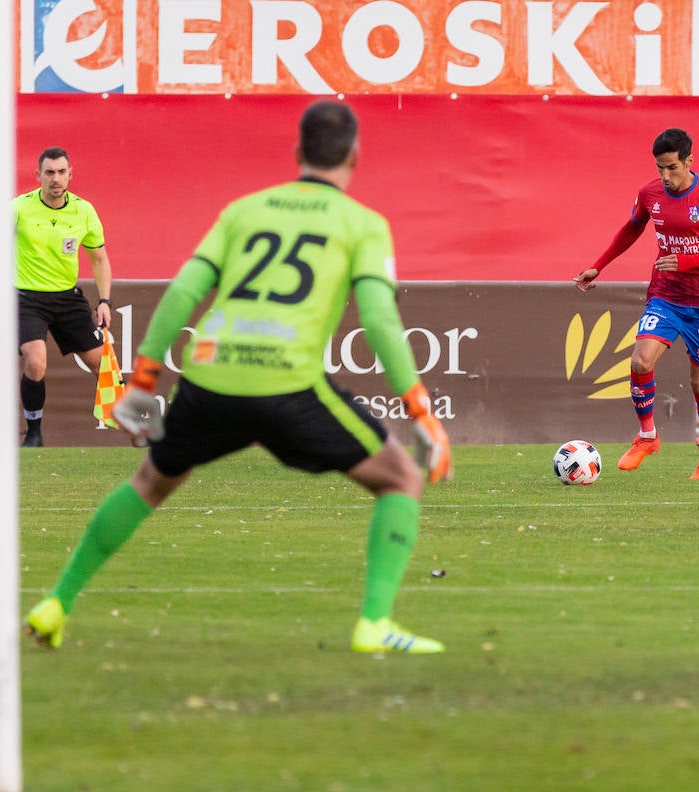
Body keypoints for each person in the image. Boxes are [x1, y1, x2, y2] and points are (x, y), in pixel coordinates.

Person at [24, 101, 453, 654]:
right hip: (287, 385)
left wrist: (145, 381)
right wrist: (421, 413)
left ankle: (56, 602)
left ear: (297, 153)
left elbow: (183, 292)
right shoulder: (364, 224)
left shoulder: (244, 211)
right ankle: (374, 624)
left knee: (149, 484)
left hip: (208, 379)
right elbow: (379, 318)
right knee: (401, 478)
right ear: (355, 156)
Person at [574, 128, 699, 480]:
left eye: (672, 168)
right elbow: (631, 229)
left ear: (689, 161)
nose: (665, 177)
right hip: (666, 294)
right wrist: (599, 264)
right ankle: (648, 436)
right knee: (640, 360)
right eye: (659, 168)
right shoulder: (650, 193)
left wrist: (687, 262)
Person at [14, 146, 115, 447]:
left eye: (61, 172)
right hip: (27, 298)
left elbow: (99, 260)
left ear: (70, 174)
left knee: (104, 364)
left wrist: (105, 301)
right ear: (38, 175)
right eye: (49, 173)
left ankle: (133, 428)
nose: (55, 179)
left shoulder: (84, 210)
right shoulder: (18, 208)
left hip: (67, 298)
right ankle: (34, 433)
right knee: (35, 362)